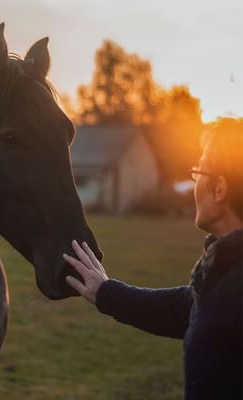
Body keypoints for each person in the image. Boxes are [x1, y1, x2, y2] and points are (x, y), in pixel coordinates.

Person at [63, 118, 243, 400]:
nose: (194, 185)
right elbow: (184, 309)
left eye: (198, 173)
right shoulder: (225, 273)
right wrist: (105, 291)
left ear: (219, 189)